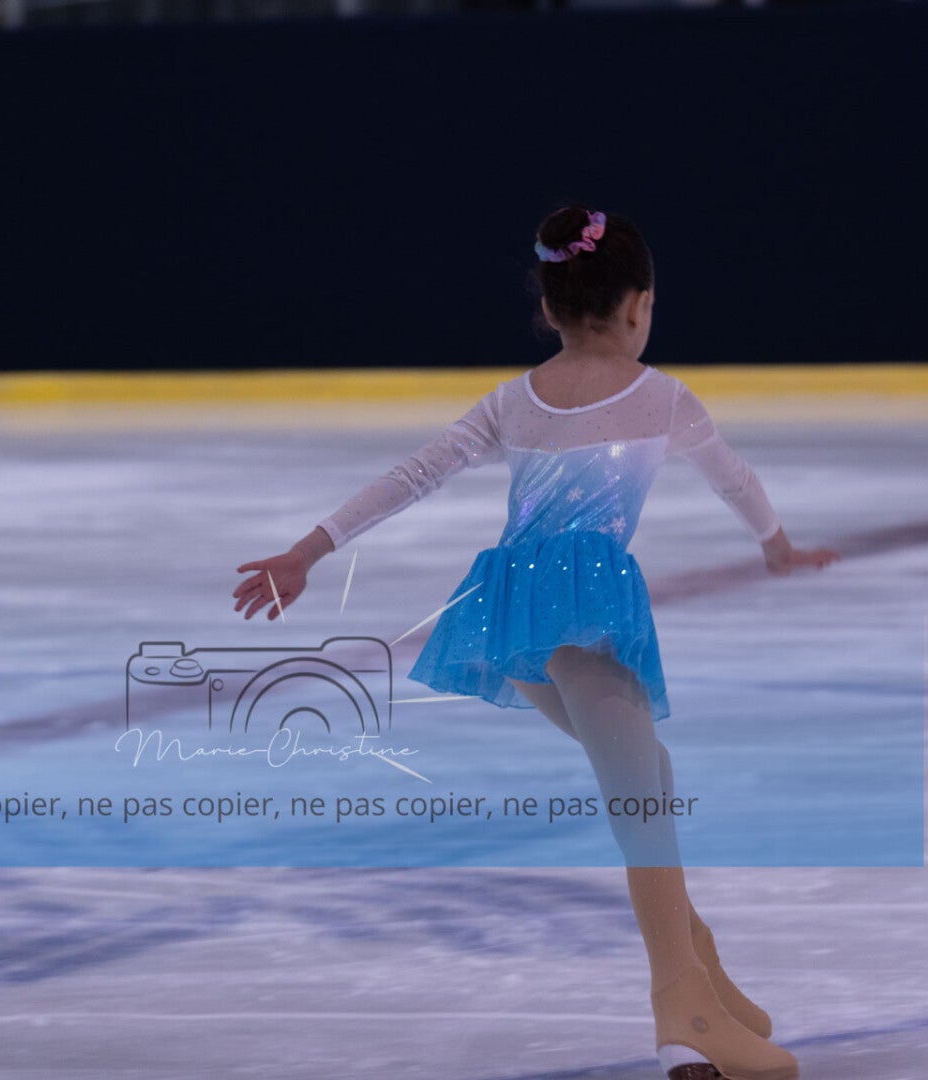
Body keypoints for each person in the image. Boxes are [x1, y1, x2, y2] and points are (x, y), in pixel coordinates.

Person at [230, 204, 838, 1080]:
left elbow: (412, 476)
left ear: (550, 307)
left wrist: (307, 551)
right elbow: (733, 481)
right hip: (583, 614)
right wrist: (776, 548)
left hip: (507, 620)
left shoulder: (512, 399)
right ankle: (685, 1013)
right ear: (639, 306)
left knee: (647, 778)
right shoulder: (662, 396)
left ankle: (701, 967)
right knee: (642, 804)